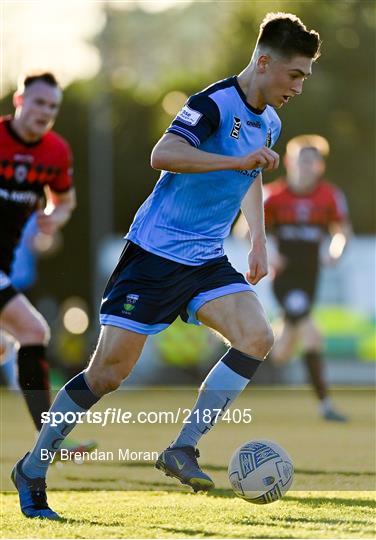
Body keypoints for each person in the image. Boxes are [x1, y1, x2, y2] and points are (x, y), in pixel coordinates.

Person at [12, 13, 321, 519]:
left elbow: (253, 176)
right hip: (153, 256)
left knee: (257, 337)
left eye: (305, 76)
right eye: (295, 74)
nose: (299, 86)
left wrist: (259, 242)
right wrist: (235, 162)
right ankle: (32, 468)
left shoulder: (270, 120)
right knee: (108, 374)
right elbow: (164, 153)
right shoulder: (214, 104)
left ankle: (183, 447)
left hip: (205, 258)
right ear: (264, 62)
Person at [0, 73, 95, 454]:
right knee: (33, 330)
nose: (45, 112)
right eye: (38, 102)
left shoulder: (56, 152)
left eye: (53, 106)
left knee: (6, 348)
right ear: (20, 100)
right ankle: (49, 439)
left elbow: (65, 201)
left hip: (4, 265)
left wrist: (54, 217)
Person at [263, 134, 351, 421]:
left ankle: (258, 349)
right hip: (284, 279)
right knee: (313, 335)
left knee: (283, 350)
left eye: (313, 161)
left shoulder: (330, 195)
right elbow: (246, 231)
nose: (307, 166)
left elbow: (342, 231)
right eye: (302, 160)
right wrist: (270, 252)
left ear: (320, 167)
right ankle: (325, 404)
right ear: (289, 162)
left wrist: (336, 251)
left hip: (311, 278)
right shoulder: (273, 195)